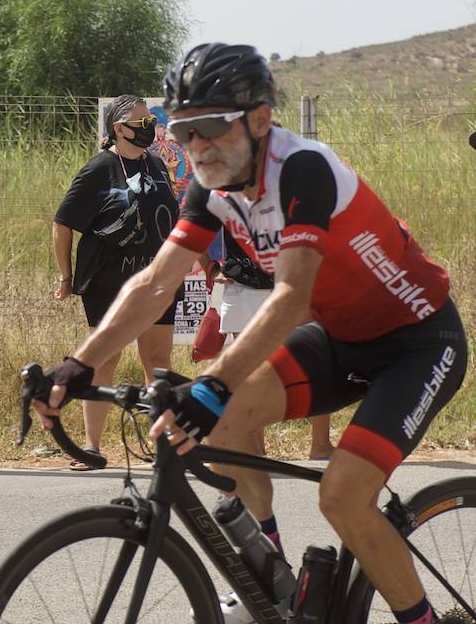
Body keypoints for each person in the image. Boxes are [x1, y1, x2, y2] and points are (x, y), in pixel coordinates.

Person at [38, 43, 465, 624]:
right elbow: (155, 283)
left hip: (417, 340)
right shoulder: (211, 186)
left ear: (260, 119)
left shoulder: (302, 169)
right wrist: (78, 364)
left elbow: (289, 299)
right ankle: (274, 589)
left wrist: (210, 386)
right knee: (233, 416)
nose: (198, 147)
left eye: (212, 127)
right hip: (342, 336)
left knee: (341, 495)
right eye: (184, 132)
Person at [52, 94, 182, 470]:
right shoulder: (99, 168)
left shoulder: (157, 164)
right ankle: (91, 447)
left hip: (155, 279)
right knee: (105, 360)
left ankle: (165, 446)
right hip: (108, 281)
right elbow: (63, 223)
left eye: (151, 122)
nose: (150, 129)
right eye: (142, 124)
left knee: (157, 362)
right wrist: (65, 276)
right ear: (119, 129)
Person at [217, 234, 333, 461]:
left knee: (317, 361)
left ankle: (320, 445)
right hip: (247, 284)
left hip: (289, 282)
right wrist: (210, 269)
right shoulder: (220, 197)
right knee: (249, 373)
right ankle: (257, 451)